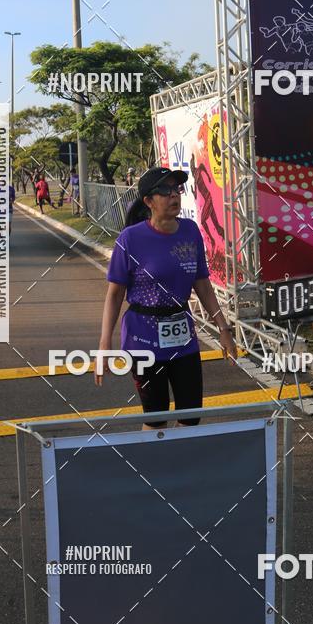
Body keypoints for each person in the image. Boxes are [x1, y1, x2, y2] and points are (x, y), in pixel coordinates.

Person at [96, 166, 237, 428]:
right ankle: (154, 467)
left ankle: (182, 467)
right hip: (142, 341)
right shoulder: (130, 239)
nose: (174, 196)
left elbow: (203, 285)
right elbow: (114, 296)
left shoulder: (190, 231)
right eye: (165, 191)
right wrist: (104, 345)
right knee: (157, 417)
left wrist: (223, 327)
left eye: (177, 190)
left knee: (190, 416)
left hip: (183, 338)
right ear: (148, 201)